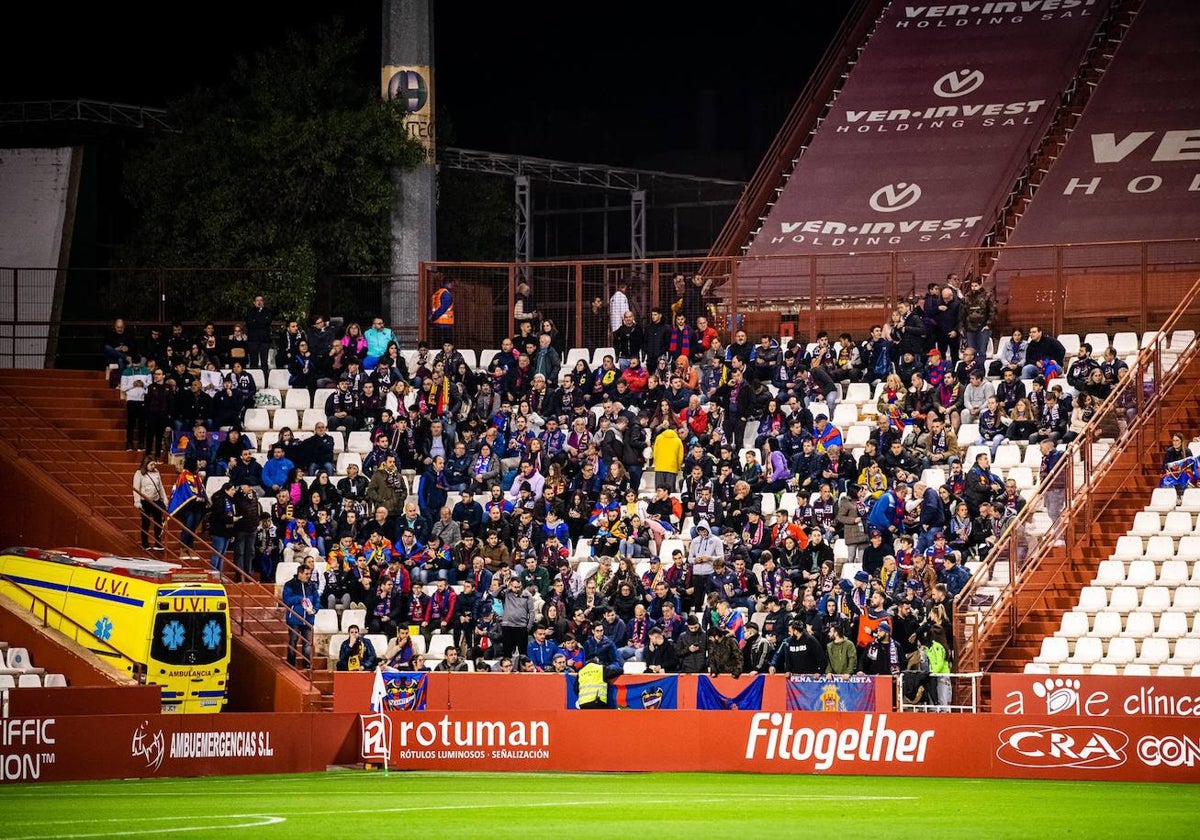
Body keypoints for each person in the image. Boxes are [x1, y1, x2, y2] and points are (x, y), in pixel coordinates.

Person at [282, 564, 318, 668]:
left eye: (309, 574)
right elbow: (286, 600)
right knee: (293, 641)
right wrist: (300, 599)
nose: (308, 576)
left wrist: (315, 610)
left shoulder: (312, 585)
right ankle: (291, 663)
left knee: (307, 643)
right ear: (300, 573)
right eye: (306, 574)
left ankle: (307, 665)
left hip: (308, 619)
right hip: (294, 619)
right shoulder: (290, 584)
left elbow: (317, 599)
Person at [132, 455, 167, 551]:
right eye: (151, 464)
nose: (153, 467)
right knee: (146, 522)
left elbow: (160, 487)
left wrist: (164, 499)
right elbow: (136, 489)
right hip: (145, 501)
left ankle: (158, 543)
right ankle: (145, 542)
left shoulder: (156, 472)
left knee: (158, 522)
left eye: (154, 465)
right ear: (146, 464)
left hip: (156, 501)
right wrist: (137, 501)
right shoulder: (139, 473)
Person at [244, 294, 273, 378]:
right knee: (253, 361)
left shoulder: (267, 311)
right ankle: (254, 379)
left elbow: (267, 322)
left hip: (264, 340)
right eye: (257, 300)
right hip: (253, 340)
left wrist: (256, 321)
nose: (259, 302)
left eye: (261, 300)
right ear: (254, 302)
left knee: (264, 361)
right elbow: (249, 322)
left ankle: (265, 380)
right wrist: (261, 321)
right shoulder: (250, 311)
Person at [429, 274, 455, 346]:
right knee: (447, 345)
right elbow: (443, 309)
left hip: (436, 324)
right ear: (449, 283)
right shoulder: (446, 294)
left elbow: (432, 308)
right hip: (445, 324)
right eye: (452, 284)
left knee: (437, 344)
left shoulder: (436, 294)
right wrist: (435, 316)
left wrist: (431, 317)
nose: (453, 286)